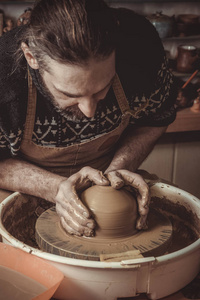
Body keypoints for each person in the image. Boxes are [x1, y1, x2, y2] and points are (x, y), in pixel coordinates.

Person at [0, 0, 177, 237]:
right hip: (24, 187)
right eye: (70, 94)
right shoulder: (4, 76)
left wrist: (119, 170)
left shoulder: (141, 47)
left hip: (108, 176)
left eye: (103, 88)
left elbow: (156, 118)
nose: (89, 111)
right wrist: (53, 188)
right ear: (31, 57)